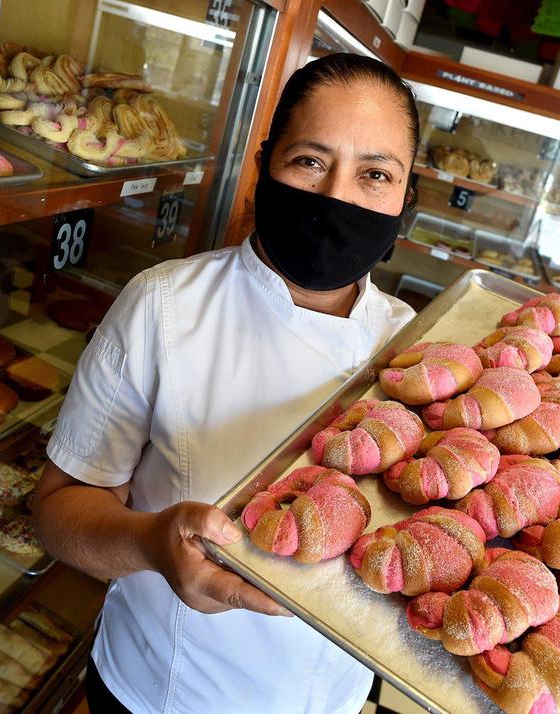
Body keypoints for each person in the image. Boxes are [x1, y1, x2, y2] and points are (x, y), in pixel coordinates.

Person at [33, 53, 420, 713]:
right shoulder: (164, 306)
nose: (336, 198)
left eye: (374, 174)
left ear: (406, 201)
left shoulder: (418, 349)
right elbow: (58, 512)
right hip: (157, 693)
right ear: (264, 166)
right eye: (309, 161)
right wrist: (151, 544)